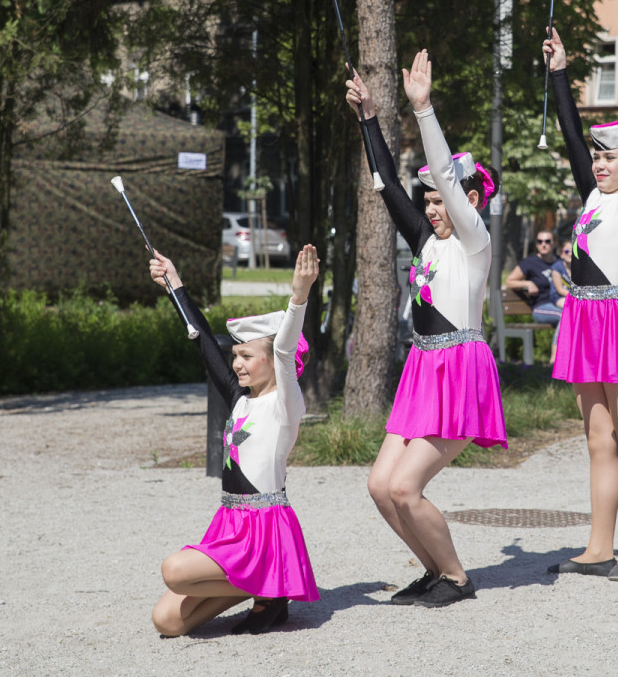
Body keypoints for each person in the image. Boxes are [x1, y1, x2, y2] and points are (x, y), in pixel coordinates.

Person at [345, 51, 506, 608]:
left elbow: (442, 173)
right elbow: (387, 182)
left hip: (459, 369)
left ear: (470, 201)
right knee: (378, 487)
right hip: (422, 366)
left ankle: (459, 577)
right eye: (431, 203)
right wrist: (369, 118)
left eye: (443, 201)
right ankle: (433, 570)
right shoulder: (426, 240)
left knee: (405, 488)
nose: (434, 208)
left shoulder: (474, 241)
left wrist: (424, 109)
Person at [542, 21, 618, 581]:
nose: (599, 162)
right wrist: (561, 72)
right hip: (584, 315)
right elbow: (571, 135)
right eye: (597, 157)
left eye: (608, 157)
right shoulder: (593, 194)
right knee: (596, 438)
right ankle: (597, 545)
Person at [148, 244, 322, 636]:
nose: (237, 363)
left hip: (265, 529)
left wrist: (299, 297)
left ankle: (270, 586)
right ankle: (268, 589)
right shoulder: (239, 399)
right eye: (236, 356)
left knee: (174, 571)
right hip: (230, 524)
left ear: (273, 361)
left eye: (246, 356)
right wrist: (174, 283)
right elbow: (203, 341)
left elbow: (283, 347)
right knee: (168, 621)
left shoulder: (285, 404)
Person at [506, 230, 564, 327]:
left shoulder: (560, 263)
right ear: (536, 244)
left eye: (547, 241)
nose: (543, 244)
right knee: (564, 316)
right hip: (541, 307)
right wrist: (528, 283)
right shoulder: (530, 262)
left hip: (559, 303)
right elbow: (509, 282)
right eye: (539, 242)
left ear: (554, 243)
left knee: (577, 315)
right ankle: (558, 343)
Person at [549, 240, 573, 362]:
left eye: (573, 251)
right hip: (559, 298)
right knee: (567, 312)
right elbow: (559, 289)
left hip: (574, 299)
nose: (570, 254)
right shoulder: (557, 267)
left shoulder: (578, 268)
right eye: (567, 251)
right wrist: (577, 297)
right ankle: (554, 355)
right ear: (561, 254)